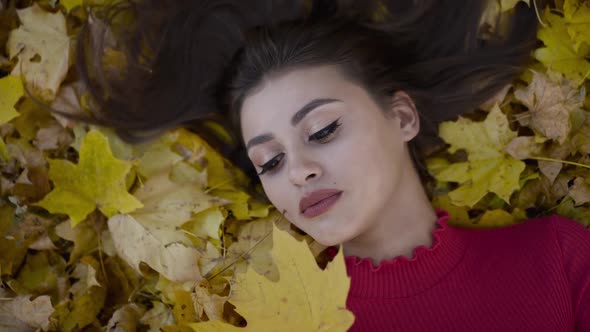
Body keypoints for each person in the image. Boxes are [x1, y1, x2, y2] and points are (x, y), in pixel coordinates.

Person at [57, 0, 590, 330]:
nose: (298, 171)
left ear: (401, 116)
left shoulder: (558, 261)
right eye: (269, 161)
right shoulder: (280, 324)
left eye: (323, 130)